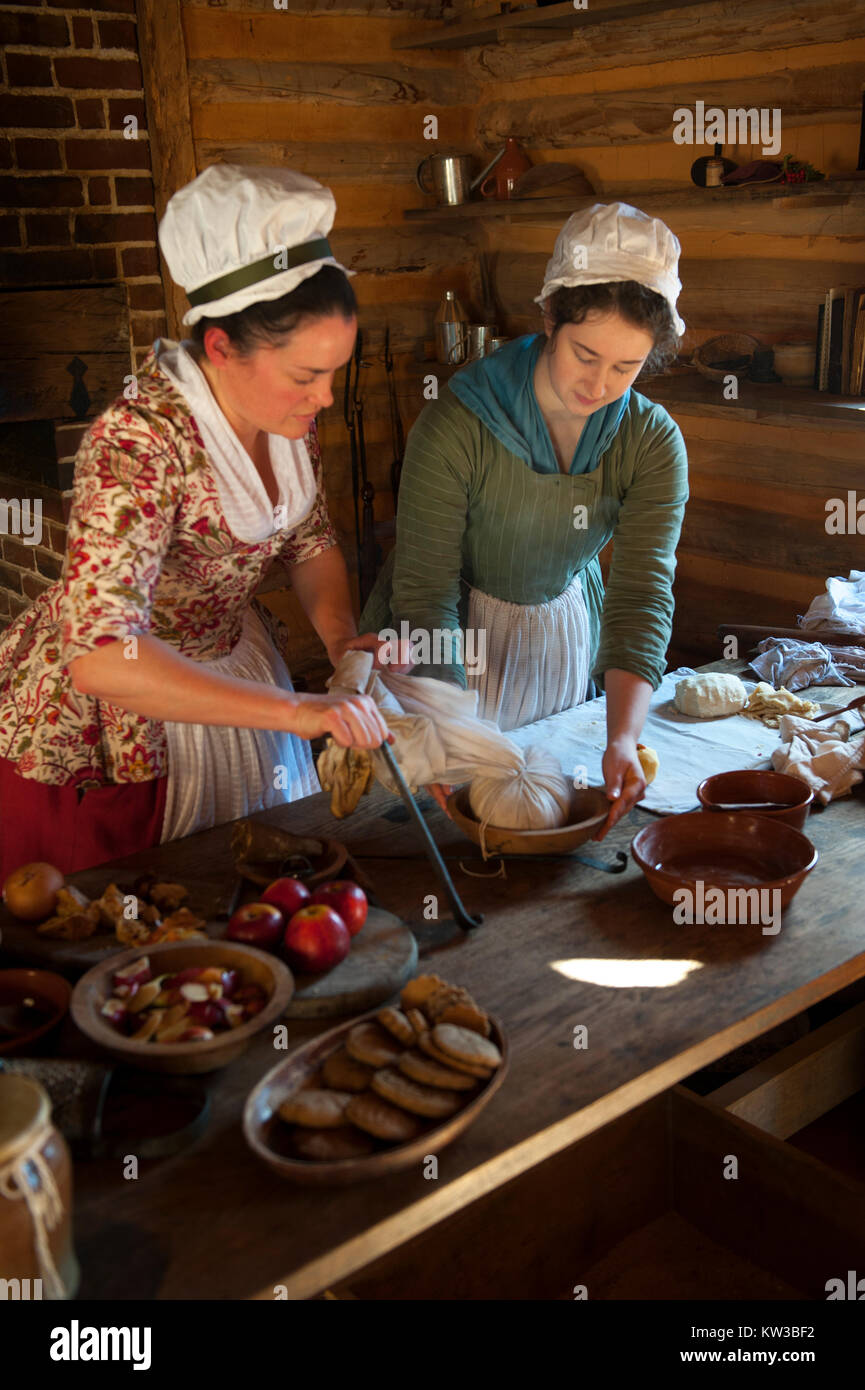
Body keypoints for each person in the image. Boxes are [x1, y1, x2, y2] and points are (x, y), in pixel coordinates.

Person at [0, 164, 404, 880]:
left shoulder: (285, 415)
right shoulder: (137, 443)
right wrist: (294, 713)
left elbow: (311, 545)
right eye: (306, 375)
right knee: (149, 918)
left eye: (333, 371)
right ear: (221, 349)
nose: (323, 397)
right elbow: (100, 656)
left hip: (235, 663)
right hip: (126, 721)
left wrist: (345, 650)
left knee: (257, 888)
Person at [361, 202, 689, 838]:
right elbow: (426, 596)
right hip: (445, 645)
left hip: (557, 634)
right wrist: (449, 733)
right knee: (438, 825)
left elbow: (642, 593)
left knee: (541, 803)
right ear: (549, 318)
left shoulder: (650, 441)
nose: (599, 386)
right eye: (585, 355)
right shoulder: (459, 423)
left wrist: (623, 738)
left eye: (627, 367)